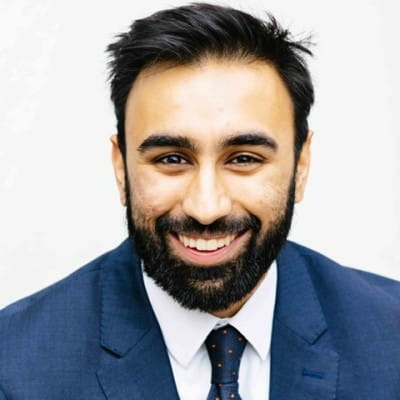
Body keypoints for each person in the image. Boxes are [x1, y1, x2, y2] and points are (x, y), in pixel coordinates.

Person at [0, 3, 399, 399]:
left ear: (302, 165)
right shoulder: (14, 366)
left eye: (244, 159)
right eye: (172, 159)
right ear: (121, 168)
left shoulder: (390, 335)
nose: (206, 208)